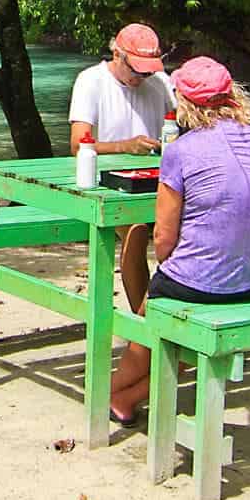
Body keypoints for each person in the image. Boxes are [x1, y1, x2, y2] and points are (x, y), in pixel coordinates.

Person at [108, 57, 250, 425]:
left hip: (205, 283)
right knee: (184, 309)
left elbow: (163, 236)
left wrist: (169, 264)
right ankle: (126, 397)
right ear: (233, 96)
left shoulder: (182, 150)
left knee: (151, 312)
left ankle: (113, 392)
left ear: (183, 102)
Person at [68, 23, 177, 312]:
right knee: (136, 229)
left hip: (158, 182)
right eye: (136, 70)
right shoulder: (91, 81)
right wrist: (124, 146)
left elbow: (181, 123)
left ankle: (172, 305)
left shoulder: (159, 83)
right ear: (117, 54)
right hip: (108, 184)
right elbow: (78, 145)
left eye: (148, 70)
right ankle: (144, 318)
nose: (142, 77)